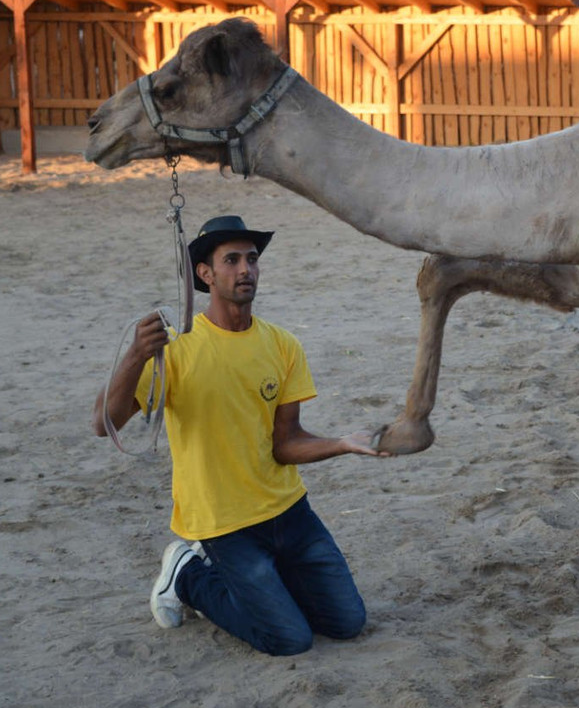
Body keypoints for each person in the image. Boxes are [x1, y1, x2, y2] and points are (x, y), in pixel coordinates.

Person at [92, 214, 388, 656]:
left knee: (347, 623)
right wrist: (136, 354)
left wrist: (342, 443)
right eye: (231, 260)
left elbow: (285, 444)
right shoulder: (174, 349)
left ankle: (271, 581)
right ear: (205, 274)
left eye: (251, 259)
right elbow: (104, 424)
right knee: (289, 640)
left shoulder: (282, 344)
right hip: (224, 524)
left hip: (289, 512)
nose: (245, 269)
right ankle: (187, 573)